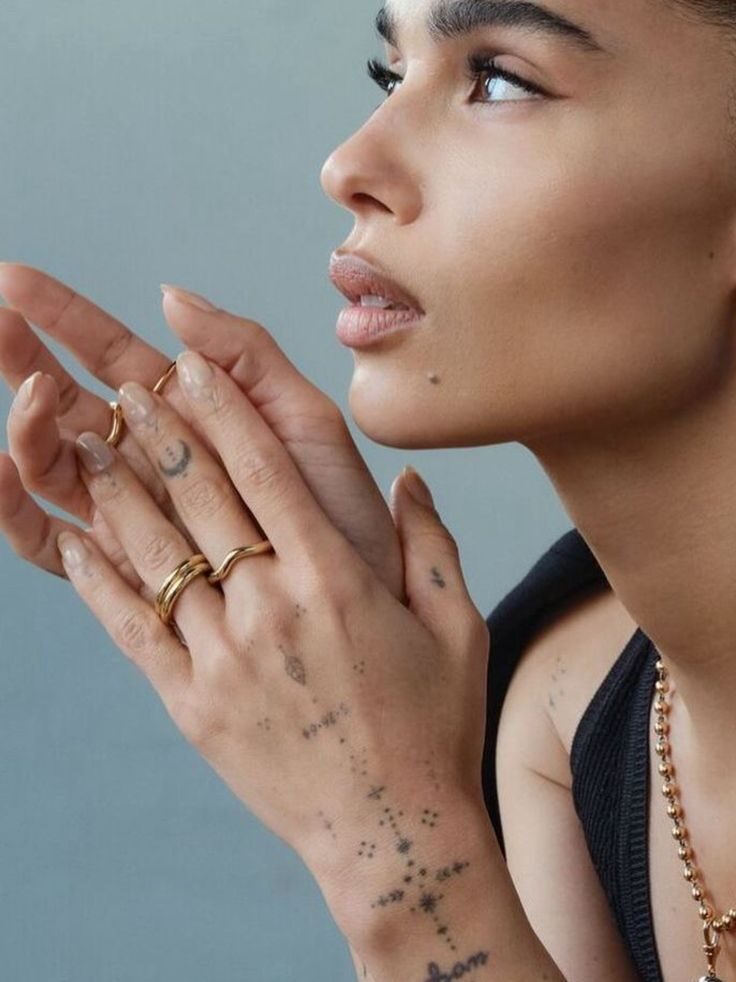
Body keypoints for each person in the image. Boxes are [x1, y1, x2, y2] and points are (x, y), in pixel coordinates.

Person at [1, 0, 735, 979]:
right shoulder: (567, 702)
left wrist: (391, 838)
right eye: (393, 75)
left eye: (499, 80)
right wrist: (358, 653)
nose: (347, 164)